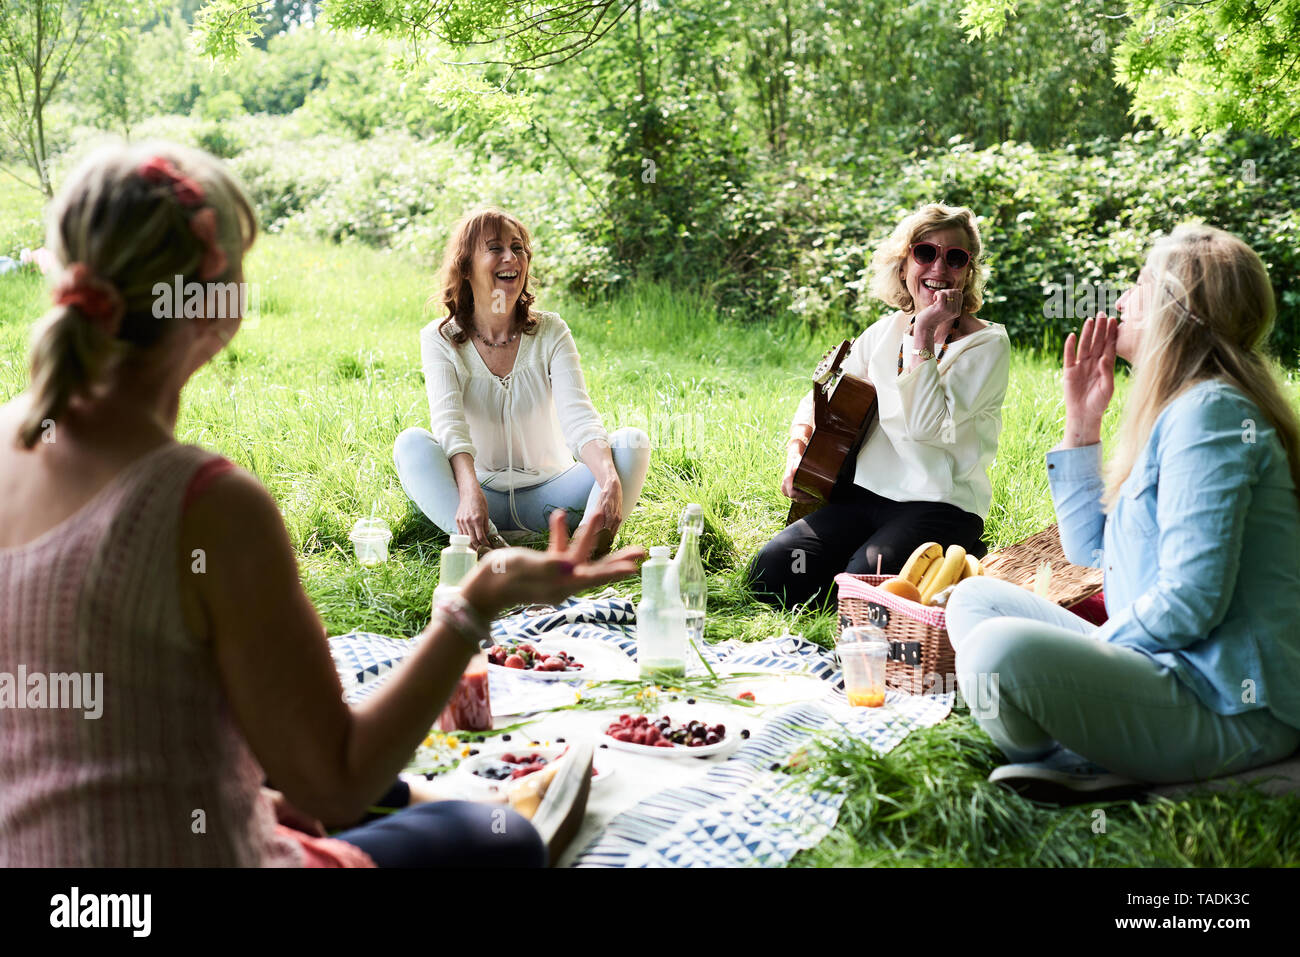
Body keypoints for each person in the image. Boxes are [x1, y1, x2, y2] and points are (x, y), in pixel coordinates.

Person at [0, 142, 645, 867]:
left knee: (285, 777)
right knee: (501, 842)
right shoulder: (208, 506)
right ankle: (495, 812)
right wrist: (477, 599)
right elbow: (337, 779)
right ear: (218, 302)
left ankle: (413, 804)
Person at [946, 224, 1300, 802]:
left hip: (1227, 707)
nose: (1122, 299)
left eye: (1139, 284)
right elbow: (1094, 554)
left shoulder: (1210, 415)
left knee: (994, 651)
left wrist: (1098, 650)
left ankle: (1088, 770)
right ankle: (1089, 760)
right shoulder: (1183, 407)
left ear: (1175, 309)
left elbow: (1191, 602)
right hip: (1171, 668)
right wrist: (1082, 420)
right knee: (975, 601)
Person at [749, 203, 1011, 607]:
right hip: (867, 495)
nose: (939, 268)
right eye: (925, 253)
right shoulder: (885, 330)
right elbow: (825, 397)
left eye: (955, 258)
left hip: (940, 502)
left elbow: (925, 428)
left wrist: (923, 331)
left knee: (863, 584)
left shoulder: (987, 345)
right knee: (772, 571)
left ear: (968, 272)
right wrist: (797, 449)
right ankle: (874, 579)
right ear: (904, 264)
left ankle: (956, 558)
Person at [393, 207, 650, 554]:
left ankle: (581, 554)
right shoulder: (441, 338)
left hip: (551, 498)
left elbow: (579, 417)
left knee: (631, 443)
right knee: (411, 444)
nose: (510, 257)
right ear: (466, 267)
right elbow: (449, 426)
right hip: (477, 498)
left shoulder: (550, 331)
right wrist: (470, 494)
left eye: (518, 248)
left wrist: (606, 479)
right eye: (495, 248)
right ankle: (489, 551)